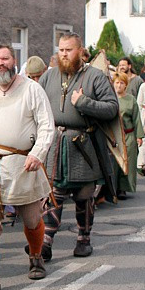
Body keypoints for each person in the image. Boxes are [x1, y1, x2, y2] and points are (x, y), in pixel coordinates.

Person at [0, 44, 54, 290]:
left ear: (14, 60)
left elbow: (47, 126)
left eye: (5, 58)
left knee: (31, 219)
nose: (1, 63)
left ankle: (36, 256)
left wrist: (37, 154)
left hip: (24, 163)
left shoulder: (32, 89)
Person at [37, 33, 119, 261]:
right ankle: (46, 241)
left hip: (84, 146)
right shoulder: (49, 76)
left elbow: (112, 108)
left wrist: (84, 103)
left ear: (80, 51)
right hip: (55, 145)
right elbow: (37, 107)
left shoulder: (95, 77)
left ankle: (84, 238)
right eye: (61, 49)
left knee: (84, 196)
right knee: (53, 194)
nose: (63, 54)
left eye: (69, 50)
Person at [112, 72, 144, 199]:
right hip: (114, 136)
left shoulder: (131, 100)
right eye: (117, 82)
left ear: (126, 85)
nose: (119, 85)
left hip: (128, 134)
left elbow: (136, 118)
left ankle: (123, 188)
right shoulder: (110, 99)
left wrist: (139, 136)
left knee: (128, 162)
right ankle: (112, 188)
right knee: (115, 163)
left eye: (121, 83)